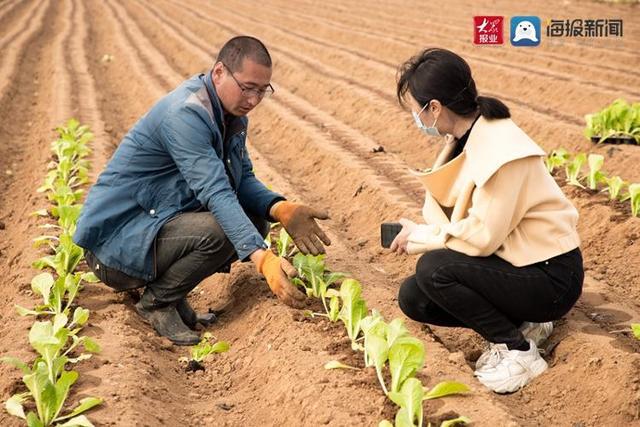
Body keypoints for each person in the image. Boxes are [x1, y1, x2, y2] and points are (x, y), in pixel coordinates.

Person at [74, 36, 331, 346]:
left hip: (152, 227)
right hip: (116, 246)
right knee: (223, 230)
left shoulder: (230, 116)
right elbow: (216, 191)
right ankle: (157, 302)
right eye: (247, 87)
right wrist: (263, 259)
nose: (253, 99)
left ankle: (173, 292)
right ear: (219, 72)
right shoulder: (185, 115)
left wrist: (280, 209)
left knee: (254, 221)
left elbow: (241, 179)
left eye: (262, 90)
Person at [391, 48, 583, 393]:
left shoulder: (501, 149)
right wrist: (423, 233)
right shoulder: (466, 135)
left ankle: (519, 351)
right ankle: (526, 325)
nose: (415, 119)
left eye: (415, 111)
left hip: (550, 276)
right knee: (413, 297)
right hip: (516, 262)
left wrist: (423, 237)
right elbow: (463, 214)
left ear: (434, 108)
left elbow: (482, 235)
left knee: (435, 269)